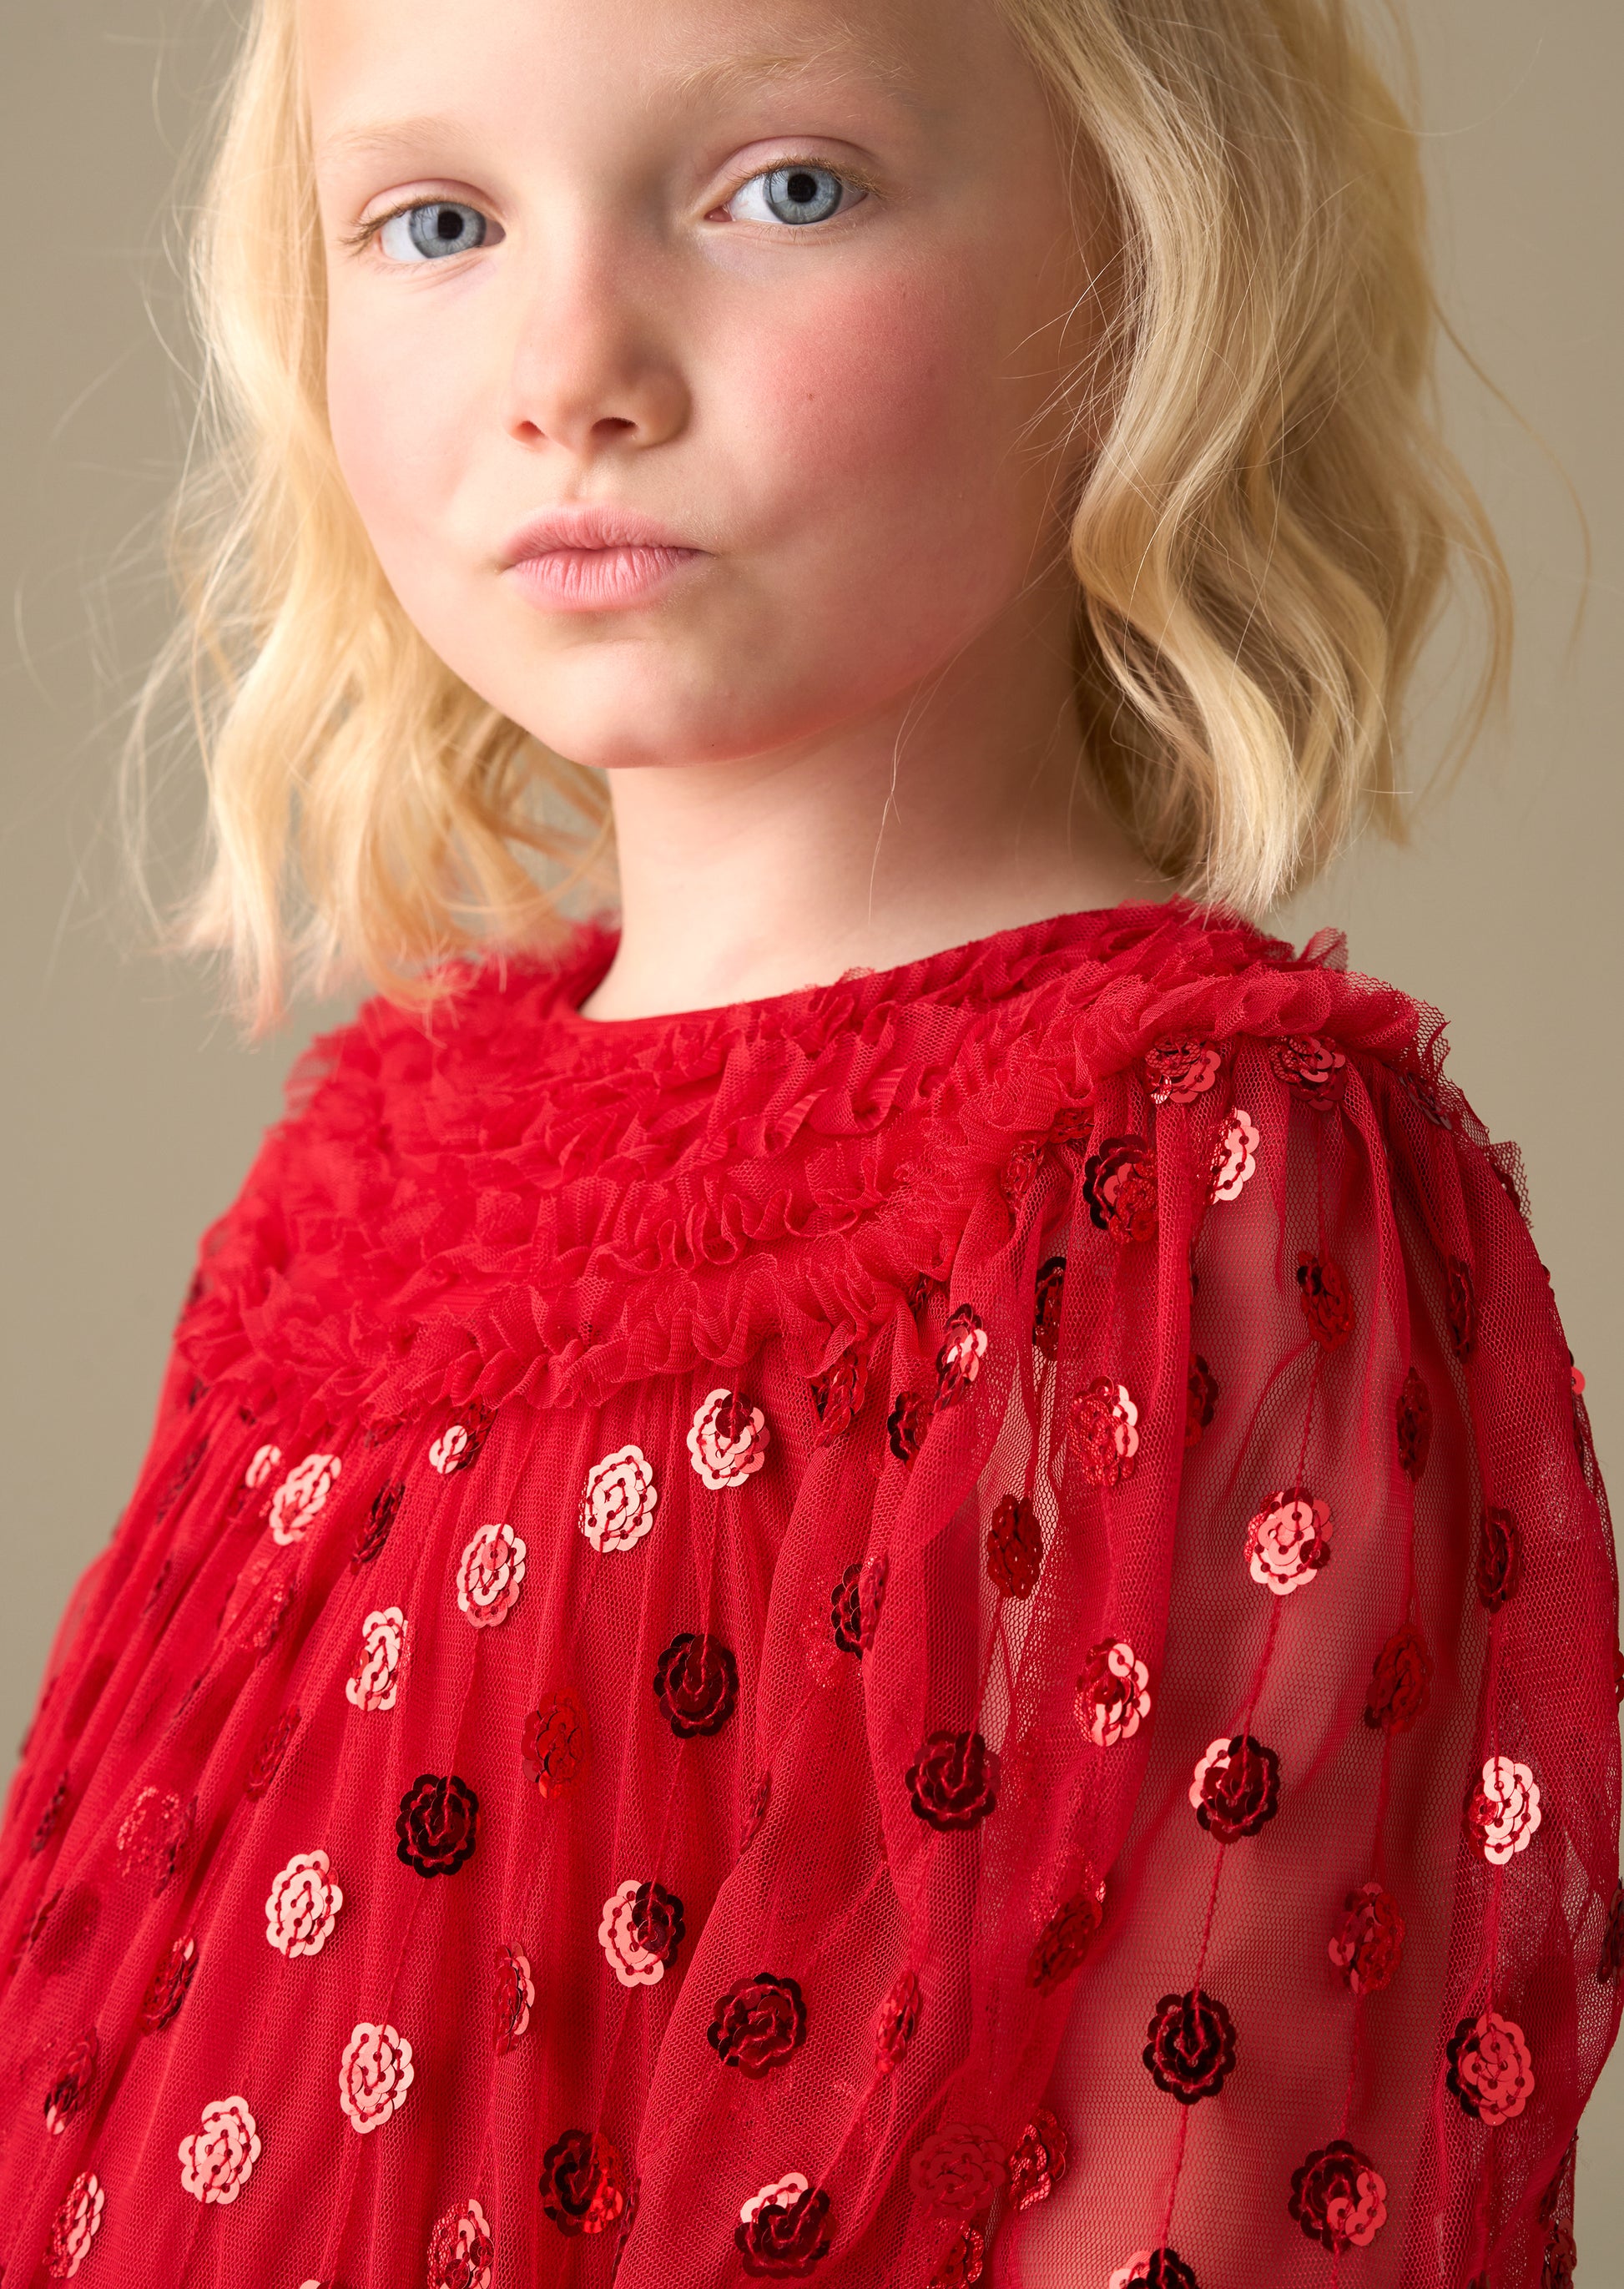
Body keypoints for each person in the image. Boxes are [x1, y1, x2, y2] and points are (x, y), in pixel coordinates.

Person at [0, 0, 1616, 2281]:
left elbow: (1181, 2190)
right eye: (438, 223)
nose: (571, 371)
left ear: (1152, 256)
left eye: (785, 190)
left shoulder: (1182, 1173)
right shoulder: (352, 1182)